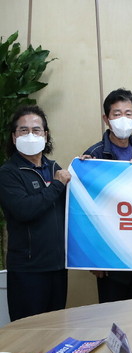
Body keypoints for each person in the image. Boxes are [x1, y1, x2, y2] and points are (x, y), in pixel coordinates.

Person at [82, 88, 132, 303]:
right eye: (117, 114)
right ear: (106, 119)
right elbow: (86, 210)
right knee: (111, 314)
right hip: (108, 252)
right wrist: (94, 258)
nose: (123, 119)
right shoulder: (94, 155)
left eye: (128, 114)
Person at [0, 105, 71, 321]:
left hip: (57, 267)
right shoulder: (8, 173)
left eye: (36, 130)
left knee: (56, 329)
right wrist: (57, 185)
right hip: (28, 271)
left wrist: (88, 168)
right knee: (30, 332)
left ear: (45, 135)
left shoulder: (54, 168)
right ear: (14, 137)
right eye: (24, 130)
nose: (30, 135)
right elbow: (24, 210)